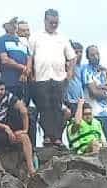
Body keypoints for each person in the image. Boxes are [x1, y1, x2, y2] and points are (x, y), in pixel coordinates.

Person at [28, 9, 76, 147]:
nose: (54, 25)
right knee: (44, 108)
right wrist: (30, 73)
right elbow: (30, 56)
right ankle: (47, 136)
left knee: (58, 108)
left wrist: (70, 72)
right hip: (41, 78)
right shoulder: (35, 37)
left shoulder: (62, 38)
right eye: (51, 22)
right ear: (45, 21)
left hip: (59, 78)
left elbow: (72, 57)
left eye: (56, 22)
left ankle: (58, 137)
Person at [0, 77, 35, 172]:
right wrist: (5, 127)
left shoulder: (7, 96)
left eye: (2, 89)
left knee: (24, 136)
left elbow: (23, 111)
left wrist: (25, 129)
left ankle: (31, 169)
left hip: (5, 132)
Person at [81, 45, 107, 141]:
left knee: (106, 142)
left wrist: (103, 86)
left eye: (97, 54)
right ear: (87, 57)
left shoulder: (103, 72)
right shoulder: (86, 70)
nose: (96, 57)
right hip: (92, 113)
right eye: (92, 55)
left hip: (105, 113)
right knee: (94, 142)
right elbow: (94, 92)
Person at [0, 18, 31, 101]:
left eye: (15, 23)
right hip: (9, 82)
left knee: (25, 106)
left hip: (24, 82)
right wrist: (22, 67)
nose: (14, 25)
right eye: (11, 24)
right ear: (5, 26)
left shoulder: (22, 40)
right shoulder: (1, 40)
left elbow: (29, 57)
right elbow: (5, 59)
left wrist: (25, 71)